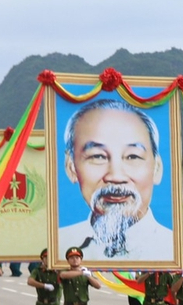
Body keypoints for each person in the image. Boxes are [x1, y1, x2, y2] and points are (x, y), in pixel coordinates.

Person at [56, 94, 175, 261]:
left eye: (133, 157)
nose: (116, 177)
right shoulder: (59, 246)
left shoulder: (171, 251)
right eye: (98, 156)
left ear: (157, 168)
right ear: (71, 167)